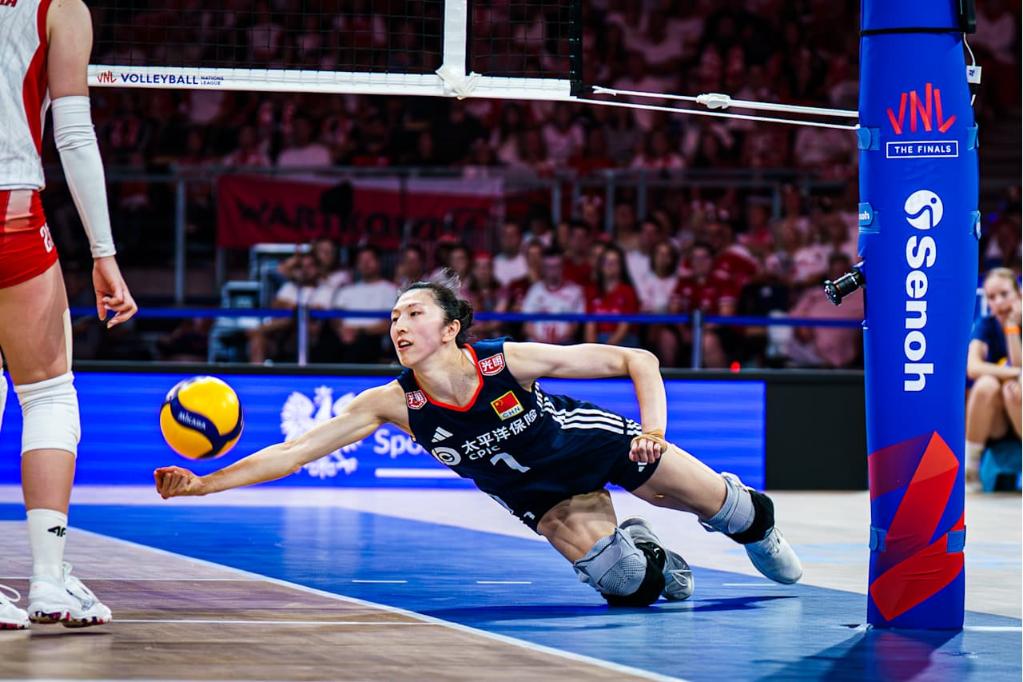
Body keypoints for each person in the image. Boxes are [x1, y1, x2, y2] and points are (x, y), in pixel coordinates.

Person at [154, 275, 802, 608]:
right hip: (542, 499)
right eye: (393, 317)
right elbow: (292, 453)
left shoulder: (504, 361)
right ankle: (643, 546)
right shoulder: (391, 402)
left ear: (451, 328)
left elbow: (637, 359)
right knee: (631, 588)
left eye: (414, 313)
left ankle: (759, 531)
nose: (399, 325)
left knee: (737, 512)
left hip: (596, 446)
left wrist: (653, 430)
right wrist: (204, 483)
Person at [0, 0, 137, 630]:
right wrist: (103, 254)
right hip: (11, 213)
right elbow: (74, 135)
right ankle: (49, 581)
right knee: (49, 394)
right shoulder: (58, 8)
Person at [965, 268, 1022, 482]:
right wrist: (1015, 374)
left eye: (1004, 294)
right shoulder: (986, 324)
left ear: (1019, 294)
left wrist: (1012, 328)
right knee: (986, 385)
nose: (998, 302)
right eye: (991, 297)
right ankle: (970, 471)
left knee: (1011, 390)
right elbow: (973, 367)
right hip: (997, 421)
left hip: (1018, 405)